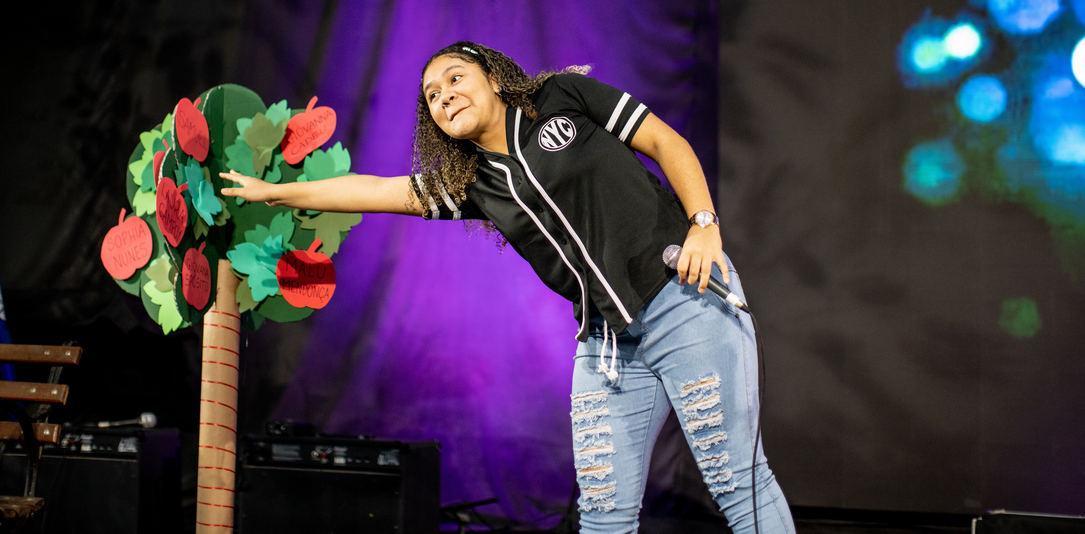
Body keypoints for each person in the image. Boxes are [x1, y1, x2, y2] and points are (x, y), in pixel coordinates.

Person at [222, 42, 794, 534]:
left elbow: (667, 142)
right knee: (603, 515)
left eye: (454, 78)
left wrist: (704, 225)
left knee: (736, 484)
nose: (443, 96)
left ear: (494, 78)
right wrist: (273, 194)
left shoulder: (563, 99)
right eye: (431, 96)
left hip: (682, 296)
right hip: (608, 346)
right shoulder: (470, 185)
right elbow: (371, 188)